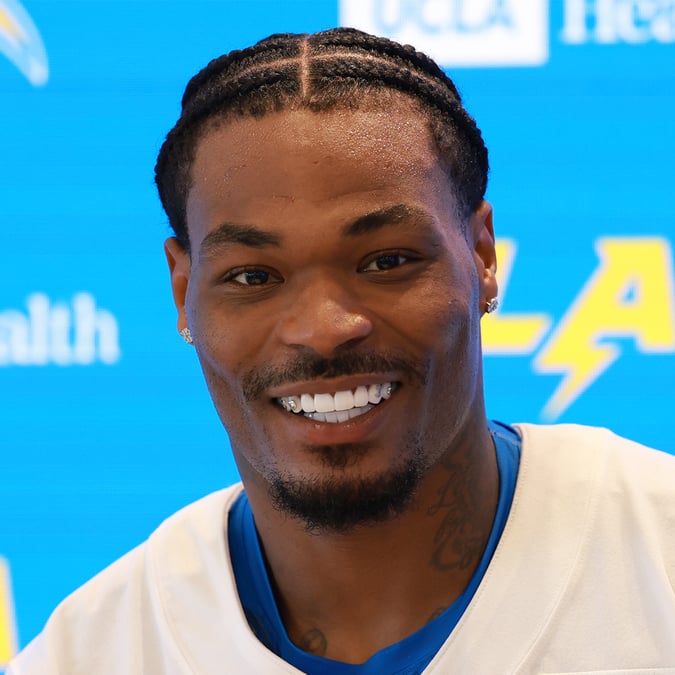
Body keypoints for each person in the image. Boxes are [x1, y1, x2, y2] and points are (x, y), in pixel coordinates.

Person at [8, 27, 675, 675]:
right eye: (252, 276)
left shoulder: (657, 547)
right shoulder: (90, 654)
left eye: (386, 261)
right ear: (184, 290)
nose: (324, 328)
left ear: (481, 256)